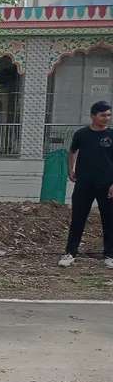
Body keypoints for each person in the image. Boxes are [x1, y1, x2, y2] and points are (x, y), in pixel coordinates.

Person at [58, 100, 113, 268]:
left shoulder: (112, 135)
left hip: (107, 185)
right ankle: (70, 253)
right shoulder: (81, 134)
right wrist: (71, 169)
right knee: (78, 219)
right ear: (93, 116)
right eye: (103, 115)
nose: (107, 118)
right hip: (84, 184)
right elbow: (73, 151)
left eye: (109, 115)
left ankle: (109, 254)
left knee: (109, 220)